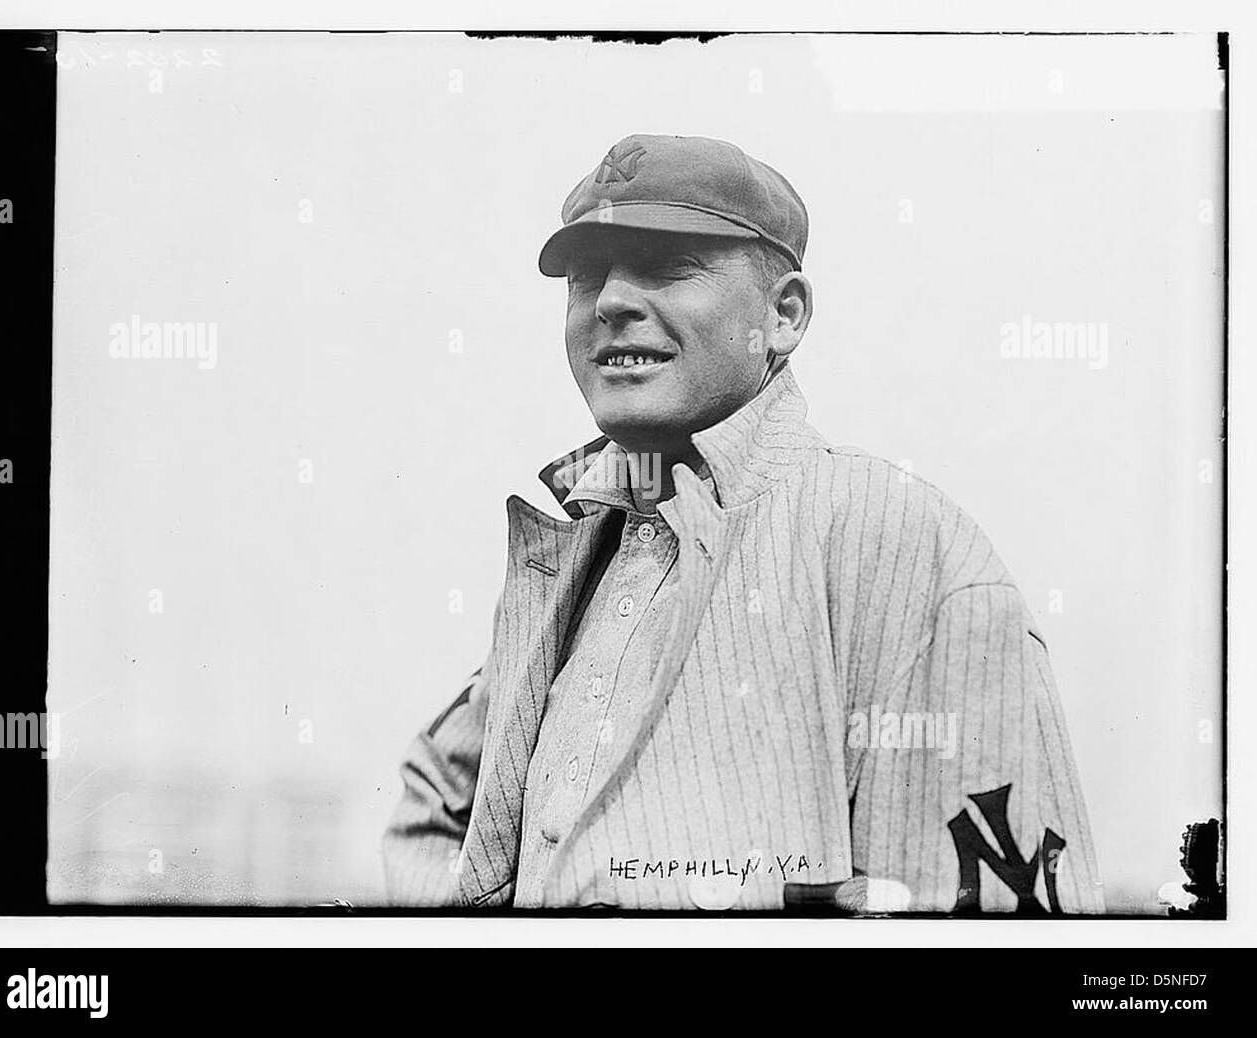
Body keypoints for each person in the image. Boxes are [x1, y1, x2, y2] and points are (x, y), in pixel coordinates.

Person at [382, 133, 1103, 913]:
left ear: (784, 315)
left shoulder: (896, 541)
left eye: (665, 266)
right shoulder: (579, 547)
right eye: (586, 276)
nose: (613, 302)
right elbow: (435, 804)